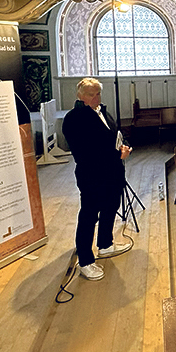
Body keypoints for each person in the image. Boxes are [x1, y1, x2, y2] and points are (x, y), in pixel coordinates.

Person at [62, 78, 132, 281]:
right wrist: (116, 155)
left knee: (111, 207)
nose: (96, 98)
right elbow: (84, 152)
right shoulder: (74, 119)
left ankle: (105, 245)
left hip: (113, 172)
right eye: (91, 94)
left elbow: (117, 134)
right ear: (80, 96)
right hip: (92, 175)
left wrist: (124, 146)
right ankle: (85, 261)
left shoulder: (104, 111)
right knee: (89, 216)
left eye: (98, 93)